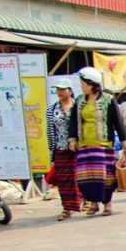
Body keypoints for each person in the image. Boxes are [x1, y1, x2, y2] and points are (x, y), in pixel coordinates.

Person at [67, 66, 126, 217]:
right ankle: (93, 203)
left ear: (91, 84)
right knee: (87, 177)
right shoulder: (79, 101)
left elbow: (117, 121)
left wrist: (125, 141)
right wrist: (72, 139)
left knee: (106, 177)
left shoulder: (108, 100)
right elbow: (73, 121)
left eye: (83, 83)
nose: (82, 86)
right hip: (84, 145)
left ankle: (107, 204)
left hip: (103, 145)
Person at [46, 79, 81, 220]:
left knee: (79, 176)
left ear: (70, 90)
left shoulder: (78, 106)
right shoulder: (51, 109)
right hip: (60, 148)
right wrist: (52, 152)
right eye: (58, 89)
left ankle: (84, 200)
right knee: (64, 180)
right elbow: (50, 131)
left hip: (78, 147)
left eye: (63, 89)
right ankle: (67, 207)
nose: (60, 92)